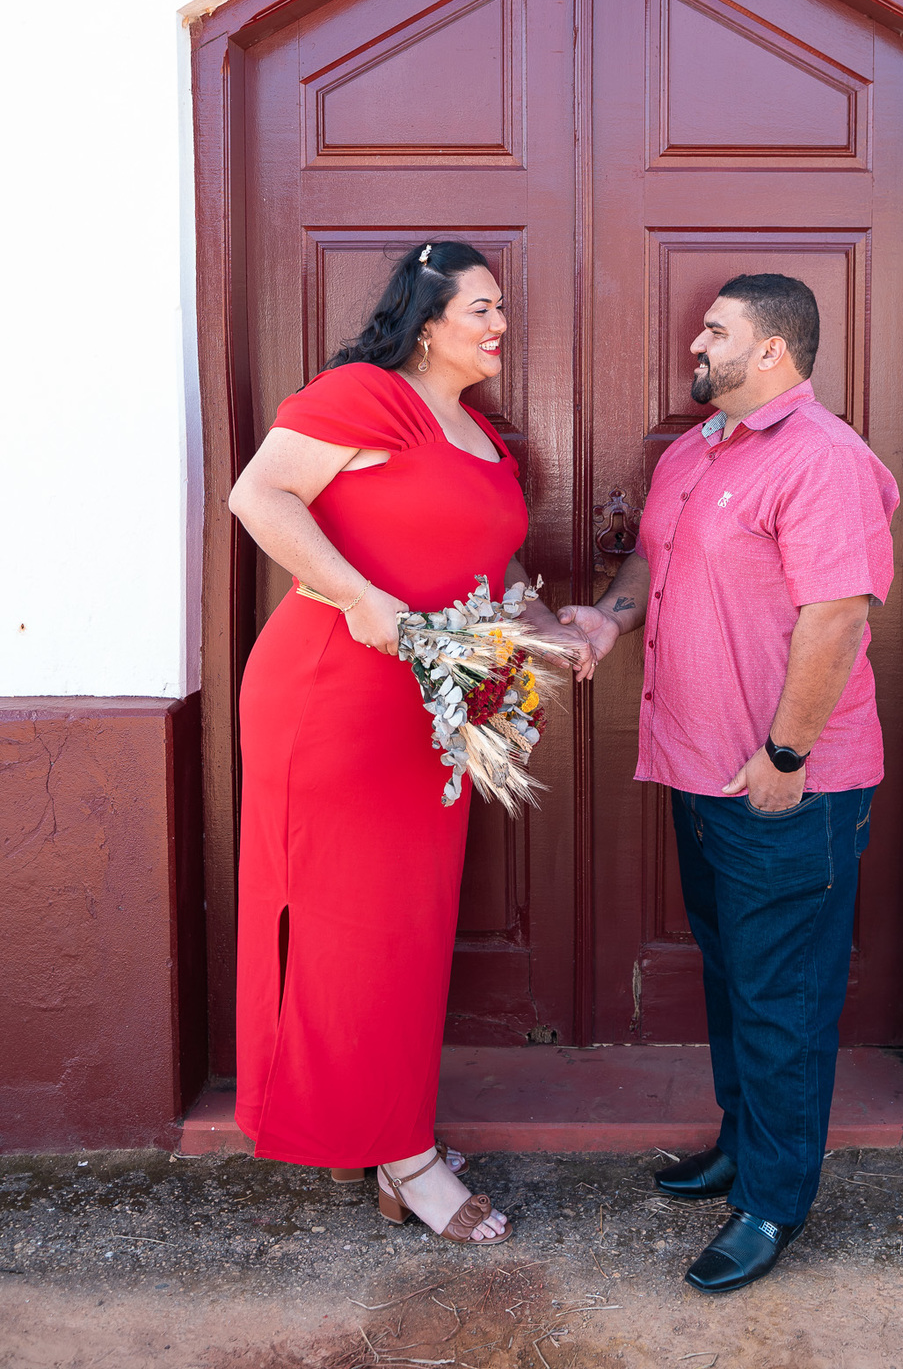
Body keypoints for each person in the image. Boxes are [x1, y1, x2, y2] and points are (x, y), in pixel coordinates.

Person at [228, 240, 592, 1246]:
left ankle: (395, 1125)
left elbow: (496, 563)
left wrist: (545, 626)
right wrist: (359, 595)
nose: (499, 325)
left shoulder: (486, 439)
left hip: (436, 706)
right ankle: (402, 1158)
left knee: (410, 925)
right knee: (353, 925)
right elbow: (260, 496)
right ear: (427, 318)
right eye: (482, 308)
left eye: (502, 309)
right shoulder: (363, 397)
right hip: (334, 695)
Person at [559, 273, 899, 1292]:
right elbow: (652, 566)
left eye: (716, 331)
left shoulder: (826, 461)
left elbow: (838, 618)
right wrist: (609, 620)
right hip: (700, 769)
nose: (693, 345)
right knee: (732, 972)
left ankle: (772, 1204)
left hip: (787, 781)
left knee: (783, 994)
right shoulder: (692, 454)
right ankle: (743, 1147)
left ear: (776, 353)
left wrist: (787, 757)